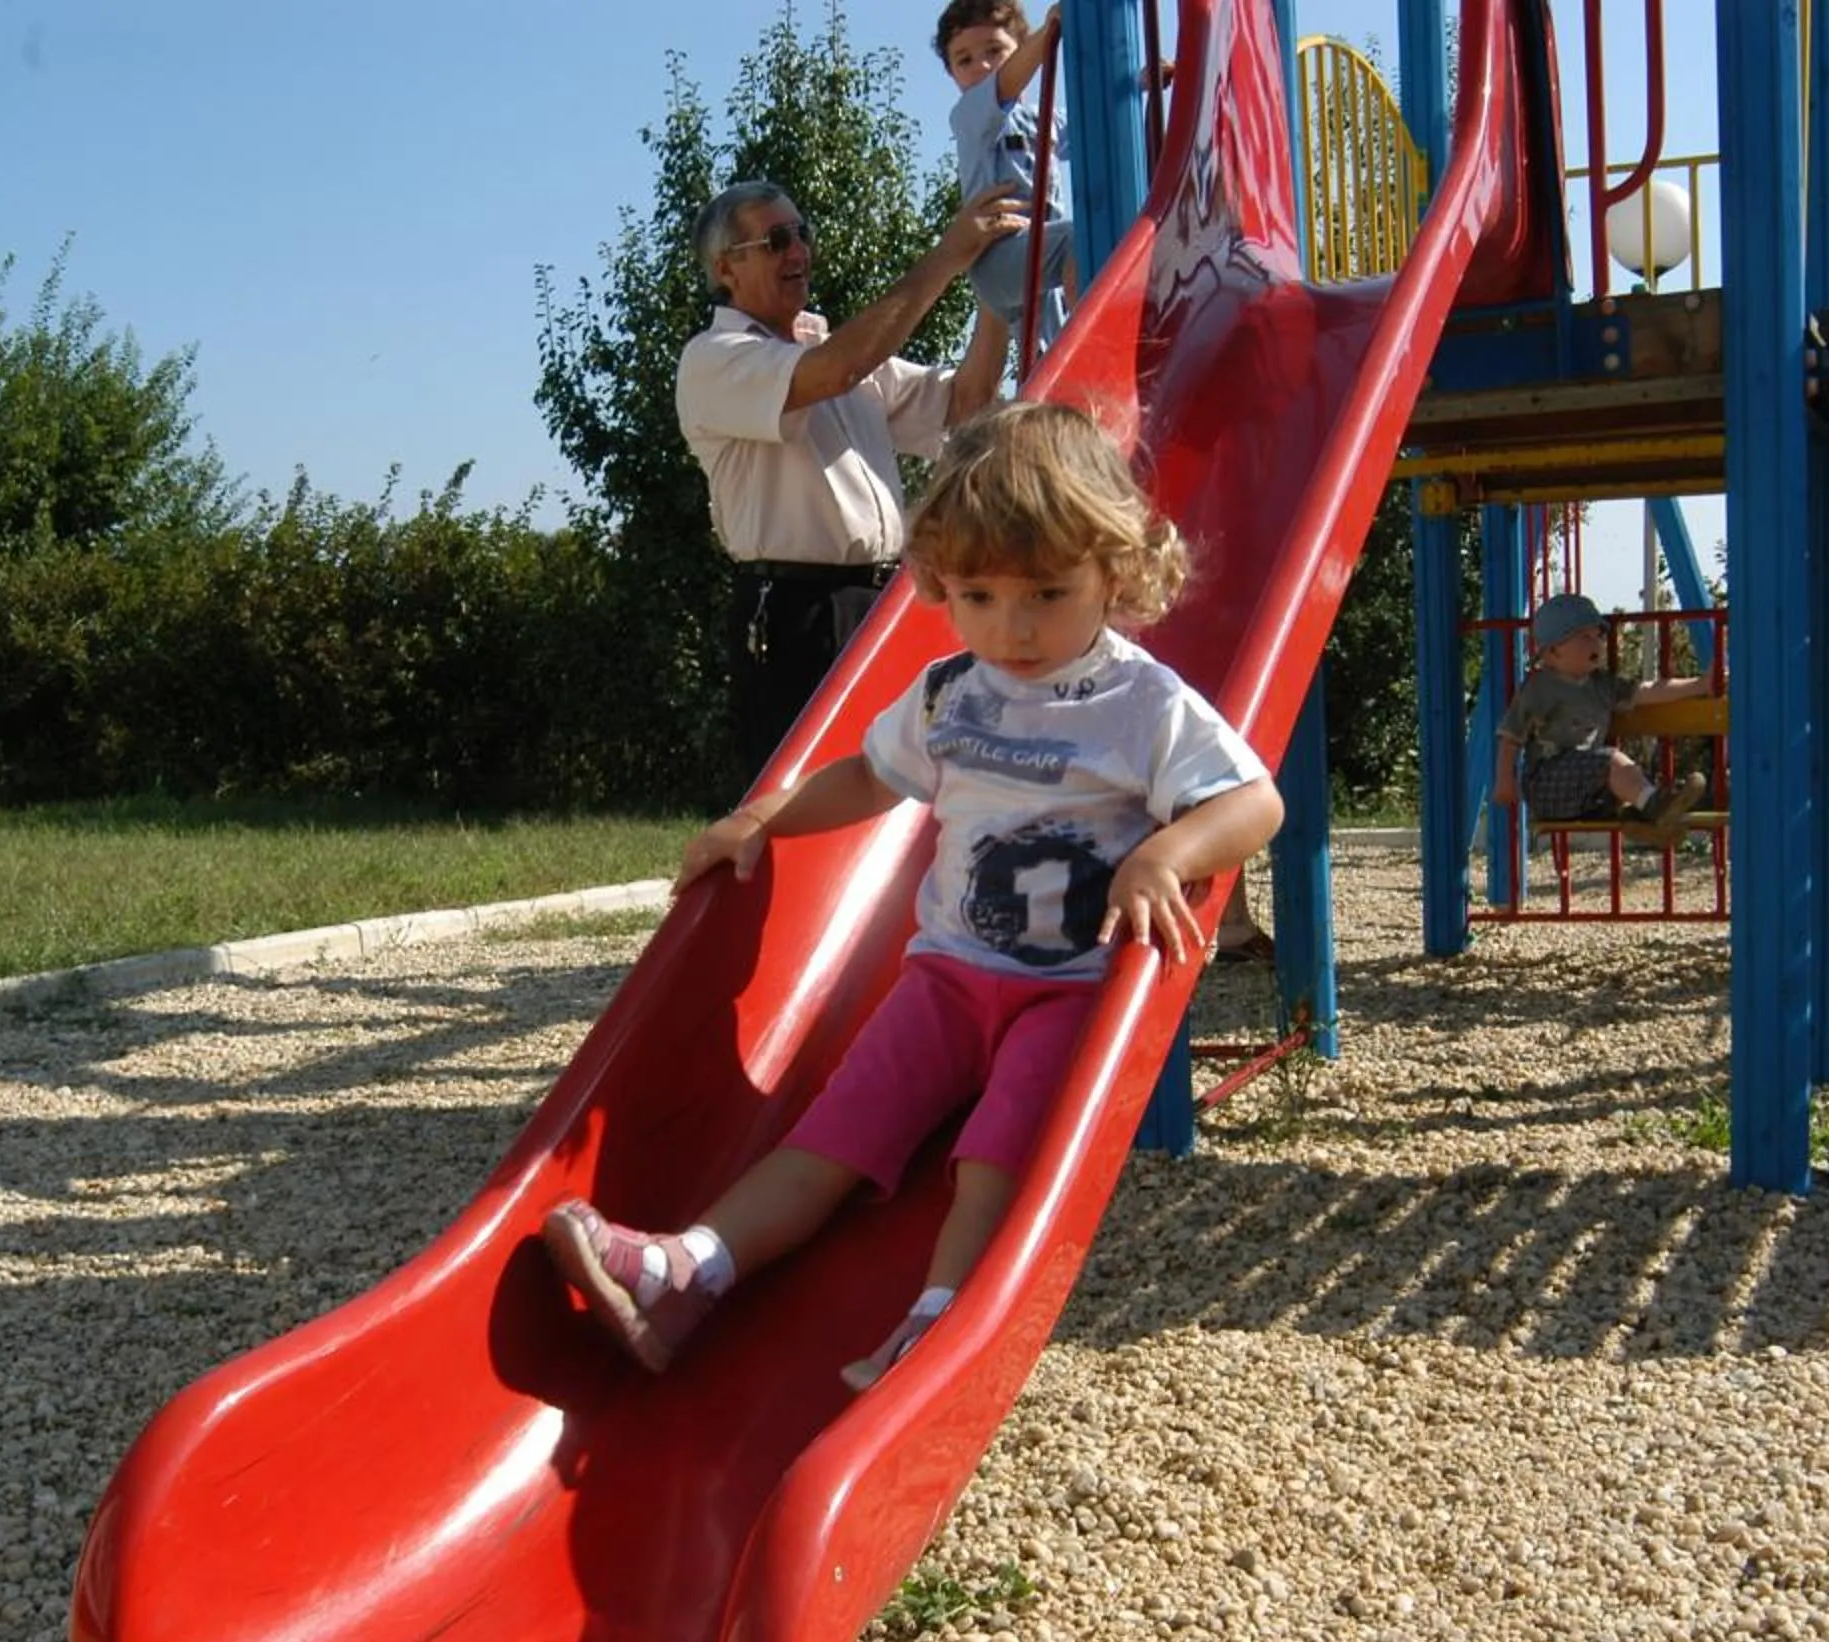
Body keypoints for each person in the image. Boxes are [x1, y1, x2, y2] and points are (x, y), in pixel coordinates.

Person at [544, 402, 1284, 1391]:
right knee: (831, 1136)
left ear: (1113, 571)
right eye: (978, 595)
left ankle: (938, 1327)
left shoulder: (1145, 705)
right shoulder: (951, 692)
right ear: (943, 583)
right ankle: (689, 1270)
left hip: (1068, 989)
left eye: (1047, 593)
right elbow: (869, 775)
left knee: (992, 1161)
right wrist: (764, 817)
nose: (1012, 626)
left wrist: (1167, 851)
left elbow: (1254, 800)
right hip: (945, 978)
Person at [677, 176, 1027, 788]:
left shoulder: (829, 348)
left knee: (902, 792)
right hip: (796, 614)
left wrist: (998, 292)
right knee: (800, 796)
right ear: (726, 268)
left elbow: (966, 404)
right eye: (776, 240)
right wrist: (950, 256)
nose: (799, 251)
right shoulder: (715, 357)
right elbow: (837, 371)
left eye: (801, 233)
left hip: (881, 602)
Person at [1490, 593, 1709, 844]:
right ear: (1552, 651)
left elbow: (1647, 691)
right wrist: (1504, 780)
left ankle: (1647, 822)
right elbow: (1511, 737)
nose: (1596, 644)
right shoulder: (1539, 688)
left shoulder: (1602, 685)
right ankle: (1657, 806)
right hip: (1547, 786)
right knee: (1611, 761)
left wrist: (1699, 685)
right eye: (1584, 637)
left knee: (1619, 776)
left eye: (1599, 636)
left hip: (1587, 791)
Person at [938, 0, 1074, 362]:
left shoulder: (1045, 119)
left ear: (1019, 48)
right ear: (952, 74)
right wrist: (1048, 34)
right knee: (1080, 241)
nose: (981, 66)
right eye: (964, 60)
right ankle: (1096, 342)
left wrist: (1139, 83)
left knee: (1048, 350)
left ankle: (1052, 376)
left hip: (1039, 251)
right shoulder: (970, 114)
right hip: (998, 257)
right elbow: (1007, 83)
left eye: (994, 51)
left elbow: (1095, 125)